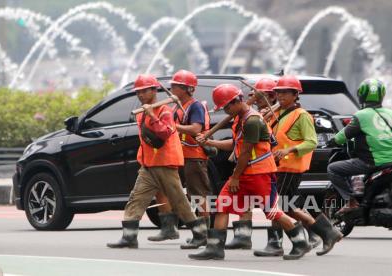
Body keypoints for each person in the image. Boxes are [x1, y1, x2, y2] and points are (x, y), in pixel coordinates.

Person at [190, 83, 311, 260]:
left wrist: (235, 178)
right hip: (245, 173)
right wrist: (210, 143)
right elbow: (236, 145)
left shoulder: (253, 121)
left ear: (235, 102)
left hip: (259, 174)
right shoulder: (241, 118)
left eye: (226, 107)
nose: (225, 111)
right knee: (222, 205)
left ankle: (300, 242)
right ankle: (214, 248)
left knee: (272, 212)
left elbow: (246, 152)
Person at [106, 74, 207, 249]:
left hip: (165, 163)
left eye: (144, 91)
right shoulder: (142, 113)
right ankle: (129, 237)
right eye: (138, 92)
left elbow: (165, 133)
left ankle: (199, 234)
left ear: (154, 91)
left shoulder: (164, 111)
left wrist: (152, 115)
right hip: (148, 164)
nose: (140, 95)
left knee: (179, 200)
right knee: (136, 198)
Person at [254, 75, 342, 257]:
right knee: (290, 204)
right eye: (278, 93)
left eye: (285, 93)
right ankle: (325, 233)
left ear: (296, 95)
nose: (280, 96)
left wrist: (289, 150)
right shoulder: (276, 113)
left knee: (280, 206)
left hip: (290, 167)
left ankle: (308, 238)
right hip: (277, 167)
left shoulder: (302, 116)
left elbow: (312, 142)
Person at [147, 70, 213, 247]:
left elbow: (195, 129)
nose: (171, 88)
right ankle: (169, 228)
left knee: (198, 195)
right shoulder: (175, 106)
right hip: (178, 156)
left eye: (175, 86)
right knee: (167, 190)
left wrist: (173, 126)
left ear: (187, 89)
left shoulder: (196, 106)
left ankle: (204, 233)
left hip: (194, 156)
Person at [225, 78, 278, 250]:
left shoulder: (276, 114)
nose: (256, 100)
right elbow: (238, 142)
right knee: (246, 201)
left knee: (279, 207)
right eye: (254, 97)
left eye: (259, 97)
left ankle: (317, 232)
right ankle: (243, 237)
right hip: (253, 166)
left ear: (272, 97)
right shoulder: (251, 116)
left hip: (274, 164)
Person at [327, 79, 392, 214]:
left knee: (333, 169)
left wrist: (332, 141)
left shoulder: (361, 115)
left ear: (361, 95)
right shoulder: (390, 113)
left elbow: (342, 137)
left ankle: (351, 202)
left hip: (372, 162)